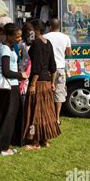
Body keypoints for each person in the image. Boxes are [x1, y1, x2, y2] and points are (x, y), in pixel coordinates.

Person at [0, 24, 28, 155]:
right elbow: (7, 71)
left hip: (11, 86)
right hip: (9, 87)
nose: (20, 39)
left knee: (5, 116)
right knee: (7, 118)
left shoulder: (9, 47)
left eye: (20, 36)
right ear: (9, 36)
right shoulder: (5, 49)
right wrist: (21, 75)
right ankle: (2, 147)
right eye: (17, 36)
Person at [22, 20, 60, 150]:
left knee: (35, 113)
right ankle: (46, 140)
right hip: (47, 81)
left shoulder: (37, 44)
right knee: (46, 112)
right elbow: (53, 67)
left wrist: (32, 84)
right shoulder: (47, 43)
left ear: (36, 30)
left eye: (30, 31)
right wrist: (53, 83)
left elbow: (37, 68)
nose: (28, 34)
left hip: (38, 82)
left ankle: (35, 143)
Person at [43, 18, 72, 125]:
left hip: (47, 68)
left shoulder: (45, 37)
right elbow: (69, 53)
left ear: (50, 26)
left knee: (47, 91)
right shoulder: (66, 37)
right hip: (60, 68)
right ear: (59, 26)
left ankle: (47, 115)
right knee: (59, 92)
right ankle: (57, 118)